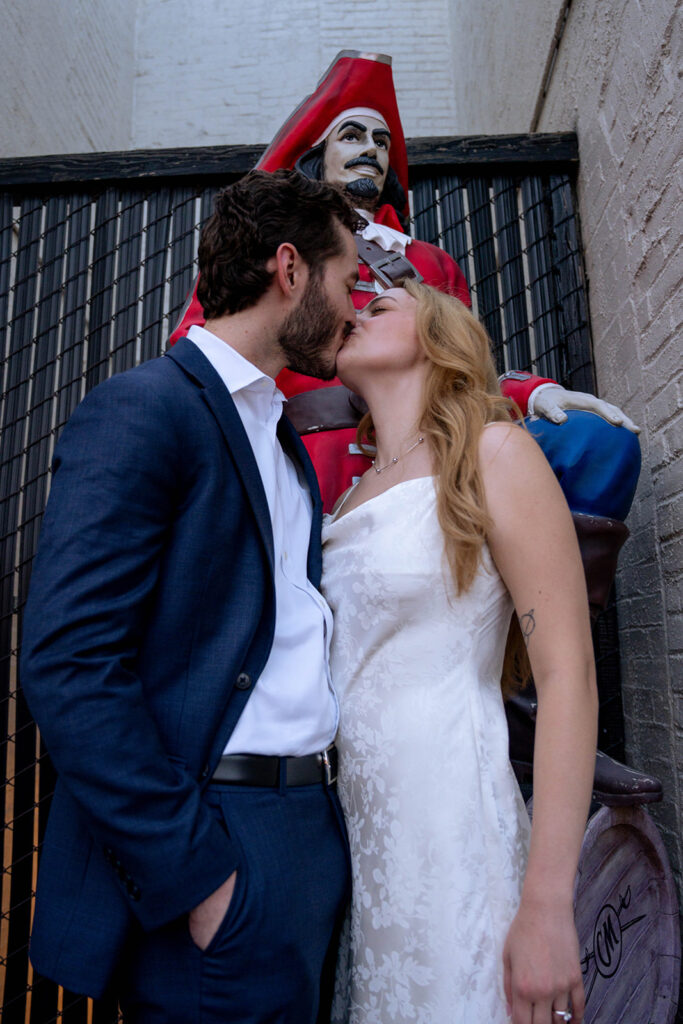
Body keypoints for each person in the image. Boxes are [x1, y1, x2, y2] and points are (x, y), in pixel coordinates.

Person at [20, 169, 362, 1023]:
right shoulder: (144, 411)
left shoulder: (278, 435)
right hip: (217, 838)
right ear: (290, 270)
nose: (354, 305)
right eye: (347, 278)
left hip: (308, 830)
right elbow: (68, 666)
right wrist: (199, 878)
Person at [170, 50, 638, 511]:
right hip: (298, 455)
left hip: (424, 450)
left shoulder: (429, 263)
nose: (370, 149)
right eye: (351, 137)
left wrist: (532, 392)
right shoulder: (271, 240)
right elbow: (203, 348)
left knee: (590, 441)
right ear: (317, 156)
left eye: (381, 141)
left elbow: (461, 366)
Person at [321, 282, 598, 1024]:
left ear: (438, 335)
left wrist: (546, 903)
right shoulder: (345, 499)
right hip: (364, 843)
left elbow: (566, 676)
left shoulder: (494, 452)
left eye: (379, 307)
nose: (356, 312)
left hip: (455, 834)